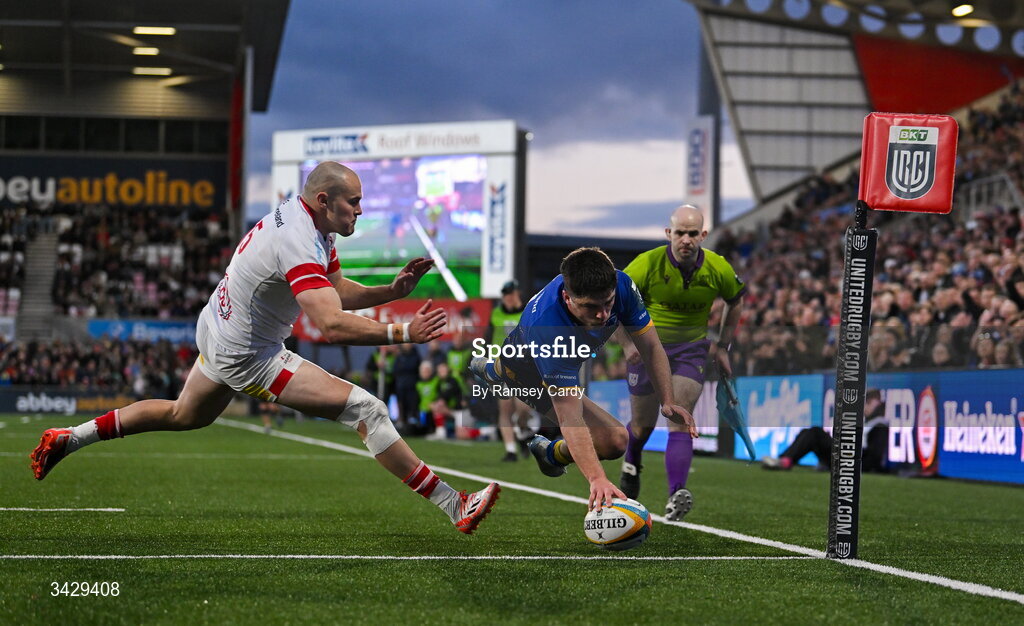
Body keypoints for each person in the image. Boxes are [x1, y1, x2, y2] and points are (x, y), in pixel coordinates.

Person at [30, 161, 500, 535]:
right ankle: (453, 503)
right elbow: (331, 324)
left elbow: (334, 287)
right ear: (323, 200)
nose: (361, 210)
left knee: (183, 415)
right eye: (354, 203)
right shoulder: (298, 239)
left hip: (217, 325)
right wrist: (403, 333)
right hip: (248, 353)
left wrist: (390, 293)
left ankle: (71, 437)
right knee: (367, 410)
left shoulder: (310, 223)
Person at [471, 247, 696, 511]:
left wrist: (667, 401)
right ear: (567, 297)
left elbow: (651, 346)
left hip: (563, 352)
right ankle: (499, 370)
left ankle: (550, 452)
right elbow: (570, 418)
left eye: (608, 303)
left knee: (614, 444)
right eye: (591, 306)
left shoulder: (621, 284)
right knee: (612, 441)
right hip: (528, 372)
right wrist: (597, 478)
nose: (602, 315)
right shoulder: (550, 330)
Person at [616, 204, 746, 521]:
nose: (685, 239)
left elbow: (736, 299)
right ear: (668, 234)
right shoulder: (646, 264)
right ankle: (632, 459)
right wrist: (627, 342)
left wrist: (723, 346)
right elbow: (613, 302)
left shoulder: (717, 267)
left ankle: (677, 494)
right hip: (648, 348)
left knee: (679, 417)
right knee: (642, 426)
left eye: (692, 233)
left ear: (703, 235)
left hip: (691, 349)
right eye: (679, 233)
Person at [762, 389, 887, 473]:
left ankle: (786, 460)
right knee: (808, 432)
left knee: (815, 432)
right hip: (846, 455)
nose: (864, 406)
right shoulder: (866, 421)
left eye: (868, 402)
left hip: (853, 460)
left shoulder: (879, 424)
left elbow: (874, 456)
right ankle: (785, 459)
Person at [487, 279, 533, 462]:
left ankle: (522, 434)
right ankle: (511, 450)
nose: (508, 297)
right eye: (505, 294)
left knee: (523, 409)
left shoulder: (527, 313)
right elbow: (488, 338)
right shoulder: (495, 314)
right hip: (501, 366)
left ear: (517, 294)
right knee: (504, 409)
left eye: (511, 294)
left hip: (523, 366)